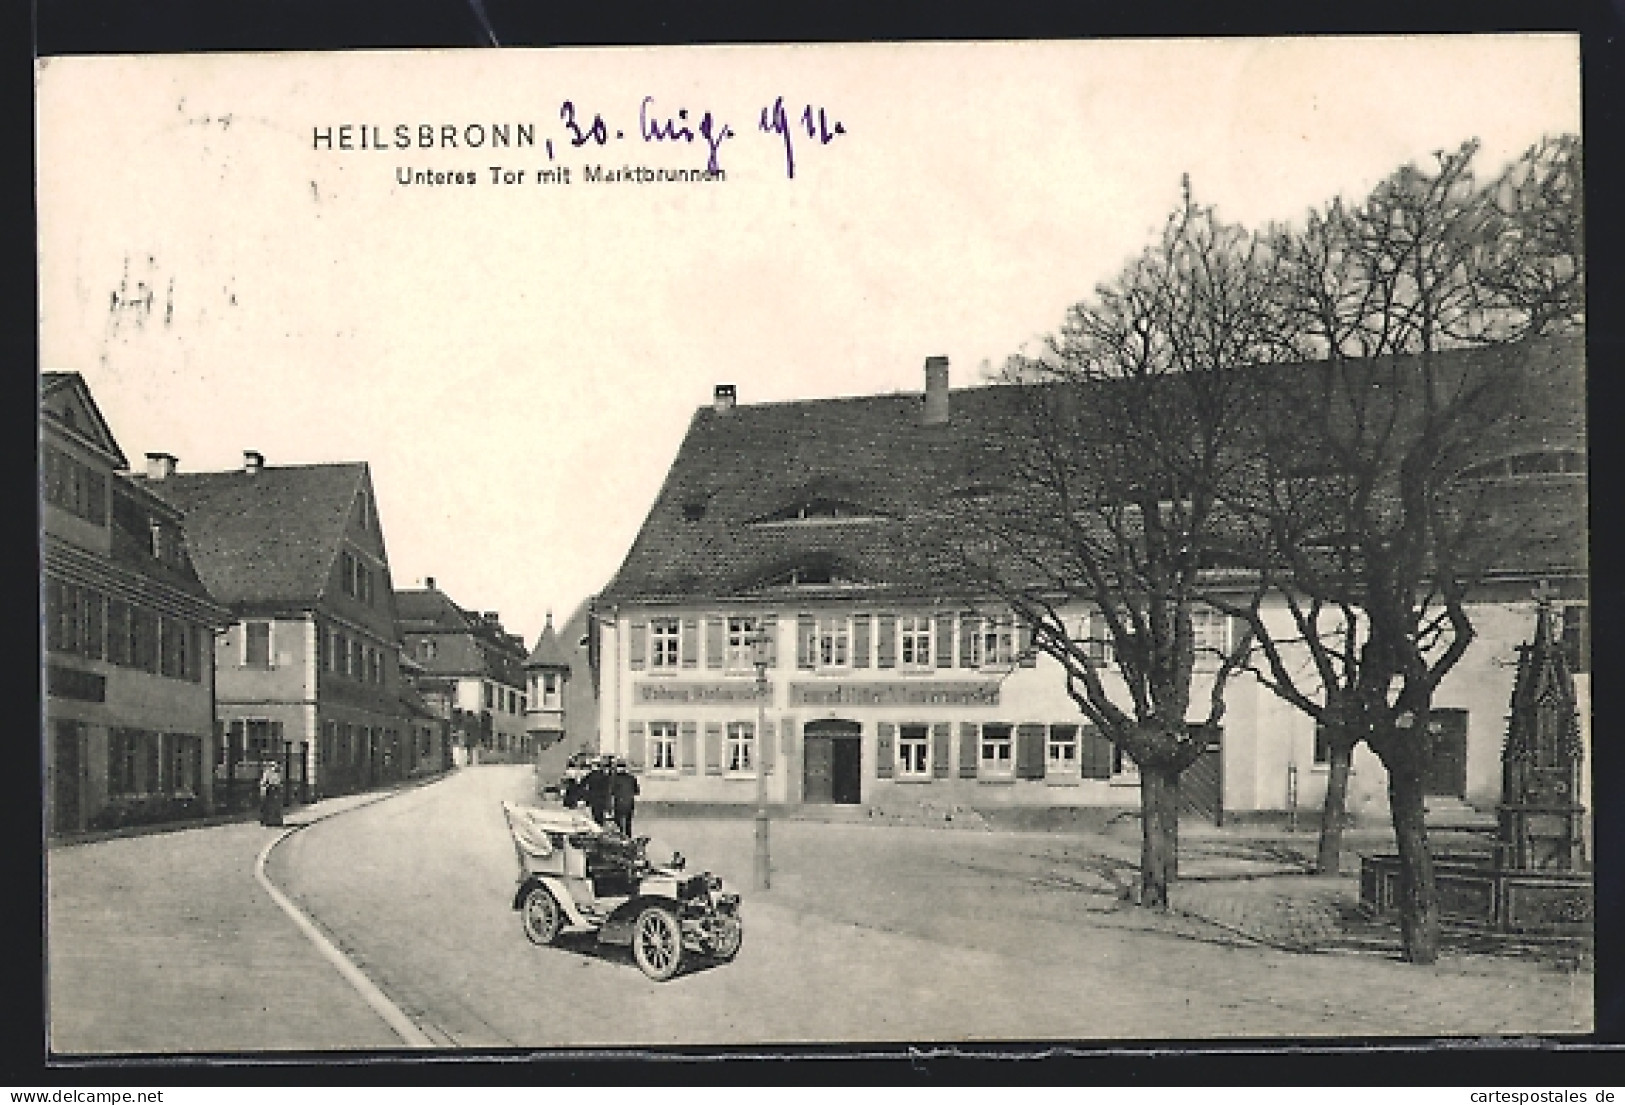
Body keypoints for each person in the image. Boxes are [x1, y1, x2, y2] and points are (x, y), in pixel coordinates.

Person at [609, 759, 640, 837]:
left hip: (619, 803)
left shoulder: (614, 778)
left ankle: (620, 838)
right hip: (629, 803)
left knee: (618, 823)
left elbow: (611, 791)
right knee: (628, 823)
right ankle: (628, 837)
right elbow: (636, 791)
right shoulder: (631, 778)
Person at [584, 757, 612, 826]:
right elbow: (607, 788)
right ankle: (600, 827)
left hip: (593, 799)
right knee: (600, 816)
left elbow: (583, 785)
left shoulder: (590, 775)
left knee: (595, 816)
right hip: (602, 799)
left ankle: (598, 829)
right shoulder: (605, 776)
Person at [258, 759, 284, 827]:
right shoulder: (267, 773)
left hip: (276, 792)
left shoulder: (278, 773)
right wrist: (268, 785)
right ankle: (266, 822)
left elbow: (279, 782)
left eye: (277, 765)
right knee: (267, 807)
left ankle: (276, 821)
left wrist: (279, 786)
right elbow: (263, 782)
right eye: (274, 765)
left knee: (276, 807)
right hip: (269, 792)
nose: (276, 767)